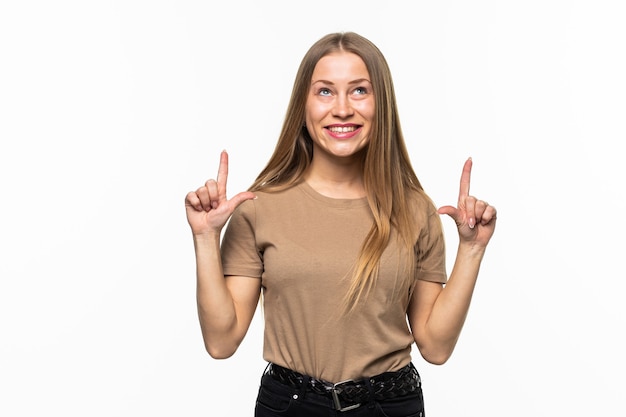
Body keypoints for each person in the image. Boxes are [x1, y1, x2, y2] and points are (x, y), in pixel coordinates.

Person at [185, 32, 497, 416]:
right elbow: (221, 341)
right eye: (325, 92)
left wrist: (472, 248)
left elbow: (435, 346)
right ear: (304, 105)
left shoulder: (416, 210)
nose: (343, 108)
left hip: (389, 406)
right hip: (291, 406)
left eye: (360, 91)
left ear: (381, 104)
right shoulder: (258, 208)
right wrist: (204, 237)